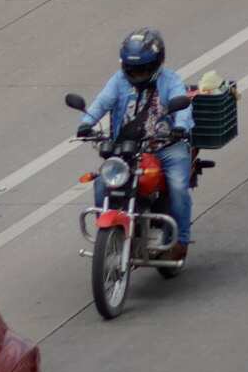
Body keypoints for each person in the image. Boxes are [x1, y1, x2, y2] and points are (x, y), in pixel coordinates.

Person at [82, 28, 195, 259]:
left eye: (144, 68)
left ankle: (180, 241)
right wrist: (86, 123)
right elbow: (102, 102)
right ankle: (112, 235)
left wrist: (179, 128)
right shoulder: (118, 80)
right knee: (102, 185)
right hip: (127, 148)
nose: (138, 73)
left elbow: (181, 104)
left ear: (157, 63)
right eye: (133, 68)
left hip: (166, 147)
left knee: (178, 187)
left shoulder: (171, 80)